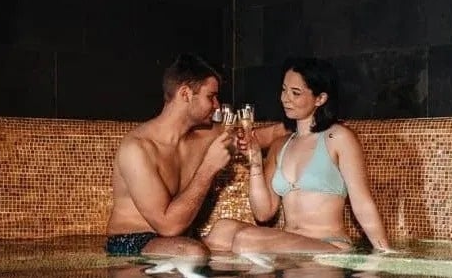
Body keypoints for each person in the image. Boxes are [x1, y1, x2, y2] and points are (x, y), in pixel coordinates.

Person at [205, 57, 391, 255]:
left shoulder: (338, 137)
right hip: (292, 244)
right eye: (284, 90)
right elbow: (263, 213)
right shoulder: (280, 145)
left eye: (295, 93)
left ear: (320, 99)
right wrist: (256, 161)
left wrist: (385, 254)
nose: (286, 98)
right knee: (221, 230)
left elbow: (362, 203)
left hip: (329, 244)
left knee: (247, 239)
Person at [106, 53, 234, 263]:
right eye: (210, 97)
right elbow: (168, 226)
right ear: (185, 93)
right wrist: (209, 167)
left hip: (178, 242)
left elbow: (253, 136)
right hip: (131, 243)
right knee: (192, 253)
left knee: (230, 236)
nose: (217, 105)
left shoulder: (202, 137)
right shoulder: (137, 149)